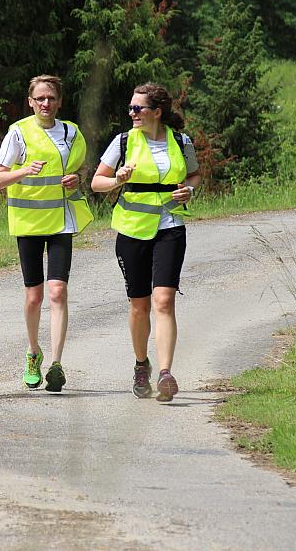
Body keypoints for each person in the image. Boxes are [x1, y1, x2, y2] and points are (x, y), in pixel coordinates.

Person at [90, 82, 200, 401]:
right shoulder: (124, 141)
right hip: (132, 230)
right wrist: (117, 179)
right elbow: (96, 182)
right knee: (140, 306)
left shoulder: (181, 141)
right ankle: (142, 365)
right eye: (130, 108)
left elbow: (194, 175)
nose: (132, 113)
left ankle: (166, 373)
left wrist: (190, 191)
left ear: (157, 112)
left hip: (170, 227)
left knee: (163, 300)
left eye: (137, 108)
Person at [0, 75, 93, 393]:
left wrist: (77, 178)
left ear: (59, 102)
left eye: (51, 98)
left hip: (61, 220)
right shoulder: (18, 132)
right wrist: (24, 170)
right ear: (30, 102)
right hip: (28, 223)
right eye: (40, 99)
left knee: (58, 292)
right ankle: (33, 352)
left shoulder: (71, 133)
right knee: (34, 296)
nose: (46, 103)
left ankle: (57, 364)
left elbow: (81, 169)